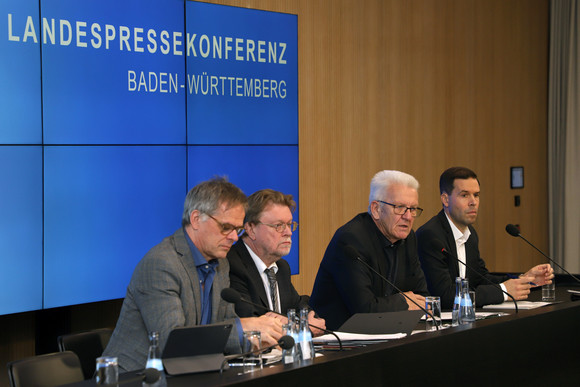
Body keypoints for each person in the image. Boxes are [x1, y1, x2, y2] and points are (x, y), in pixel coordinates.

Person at [103, 177, 283, 372]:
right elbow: (172, 342)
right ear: (196, 219)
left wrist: (257, 337)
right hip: (135, 377)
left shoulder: (221, 263)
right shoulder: (162, 263)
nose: (233, 237)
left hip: (192, 371)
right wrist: (244, 327)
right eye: (225, 227)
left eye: (237, 230)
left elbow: (224, 327)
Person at [416, 167, 554, 309]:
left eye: (476, 195)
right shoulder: (430, 236)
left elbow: (480, 278)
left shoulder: (471, 234)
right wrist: (504, 291)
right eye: (464, 195)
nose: (473, 202)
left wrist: (524, 279)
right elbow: (444, 295)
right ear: (445, 199)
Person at [309, 170, 429, 331]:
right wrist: (403, 301)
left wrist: (407, 302)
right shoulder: (351, 240)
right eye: (400, 207)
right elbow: (364, 309)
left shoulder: (408, 238)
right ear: (376, 209)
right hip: (339, 340)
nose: (408, 217)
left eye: (413, 209)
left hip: (388, 332)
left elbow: (422, 296)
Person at [227, 189, 326, 335]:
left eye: (290, 224)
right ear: (251, 228)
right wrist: (300, 328)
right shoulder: (232, 264)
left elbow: (303, 309)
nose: (288, 232)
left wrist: (291, 322)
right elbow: (252, 324)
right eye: (278, 225)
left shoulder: (281, 267)